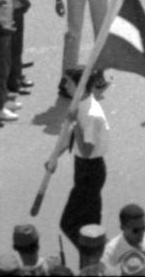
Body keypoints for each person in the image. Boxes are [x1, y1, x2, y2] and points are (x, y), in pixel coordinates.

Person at [59, 70, 111, 256]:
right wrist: (53, 158)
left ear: (80, 86)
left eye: (69, 83)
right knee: (88, 226)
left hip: (90, 171)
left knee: (69, 223)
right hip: (82, 168)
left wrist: (75, 124)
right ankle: (92, 255)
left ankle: (94, 254)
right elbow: (69, 140)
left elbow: (87, 151)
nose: (65, 86)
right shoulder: (79, 105)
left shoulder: (91, 114)